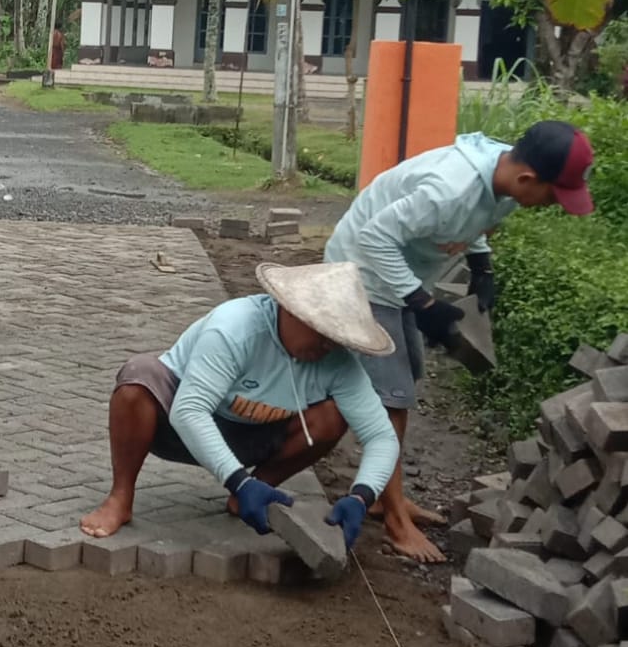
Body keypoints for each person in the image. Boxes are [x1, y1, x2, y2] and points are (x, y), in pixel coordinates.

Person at [325, 120, 595, 564]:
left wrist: (482, 265)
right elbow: (374, 236)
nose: (551, 205)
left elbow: (478, 220)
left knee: (406, 382)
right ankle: (394, 518)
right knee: (391, 401)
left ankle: (386, 495)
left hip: (399, 280)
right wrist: (422, 303)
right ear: (528, 178)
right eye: (552, 196)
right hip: (363, 275)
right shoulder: (449, 189)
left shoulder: (506, 180)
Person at [80, 261, 400, 550]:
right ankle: (121, 497)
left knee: (332, 417)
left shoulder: (338, 361)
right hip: (178, 427)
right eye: (322, 333)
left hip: (257, 439)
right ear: (291, 310)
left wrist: (361, 496)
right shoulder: (235, 328)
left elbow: (382, 437)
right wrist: (237, 479)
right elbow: (189, 410)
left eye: (337, 338)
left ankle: (256, 492)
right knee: (137, 379)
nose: (328, 345)